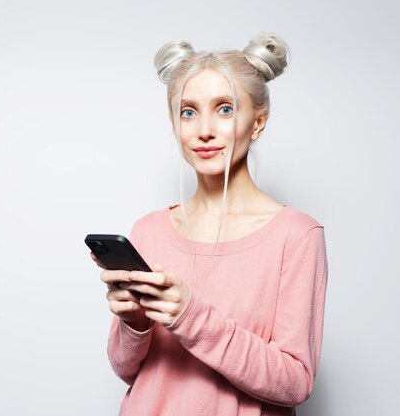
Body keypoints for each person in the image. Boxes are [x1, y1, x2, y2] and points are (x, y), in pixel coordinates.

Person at [91, 32, 328, 416]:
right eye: (188, 111)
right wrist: (134, 322)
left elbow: (295, 383)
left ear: (258, 122)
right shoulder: (148, 231)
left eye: (225, 109)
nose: (204, 129)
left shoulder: (297, 236)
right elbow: (125, 369)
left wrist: (191, 316)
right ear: (174, 125)